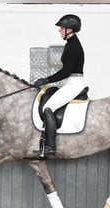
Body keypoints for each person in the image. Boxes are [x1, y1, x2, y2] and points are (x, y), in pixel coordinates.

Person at [33, 14, 87, 156]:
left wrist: (45, 80)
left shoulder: (74, 46)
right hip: (69, 82)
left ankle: (51, 146)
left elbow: (65, 71)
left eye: (61, 28)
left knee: (48, 107)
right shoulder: (71, 43)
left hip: (74, 83)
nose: (59, 31)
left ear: (69, 29)